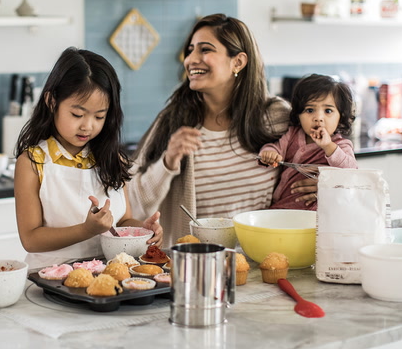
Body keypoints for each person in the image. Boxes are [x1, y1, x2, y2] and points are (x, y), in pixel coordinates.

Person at [129, 14, 317, 245]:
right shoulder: (173, 121)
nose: (190, 60)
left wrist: (322, 183)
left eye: (205, 50)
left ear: (238, 62)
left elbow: (320, 162)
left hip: (263, 259)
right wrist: (167, 162)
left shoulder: (277, 117)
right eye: (190, 50)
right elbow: (134, 205)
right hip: (197, 265)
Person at [14, 47, 163, 268]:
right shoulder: (32, 163)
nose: (87, 126)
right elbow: (31, 239)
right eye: (77, 114)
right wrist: (87, 230)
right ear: (51, 101)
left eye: (99, 116)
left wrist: (142, 229)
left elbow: (121, 221)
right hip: (50, 278)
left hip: (110, 274)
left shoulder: (113, 159)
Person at [259, 74, 358, 210]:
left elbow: (351, 171)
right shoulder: (292, 135)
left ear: (341, 117)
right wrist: (269, 153)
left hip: (319, 214)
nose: (318, 118)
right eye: (309, 110)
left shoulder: (340, 145)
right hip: (284, 207)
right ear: (298, 115)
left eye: (328, 110)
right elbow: (276, 148)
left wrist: (328, 146)